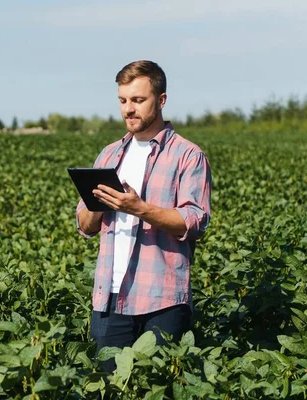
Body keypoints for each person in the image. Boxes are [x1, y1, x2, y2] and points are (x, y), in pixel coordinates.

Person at [75, 60, 212, 373]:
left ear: (161, 100)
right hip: (110, 297)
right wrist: (99, 205)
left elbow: (195, 220)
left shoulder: (188, 155)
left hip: (162, 298)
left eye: (138, 100)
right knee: (111, 388)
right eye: (123, 101)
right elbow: (83, 224)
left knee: (158, 389)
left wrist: (139, 208)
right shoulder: (109, 155)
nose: (129, 109)